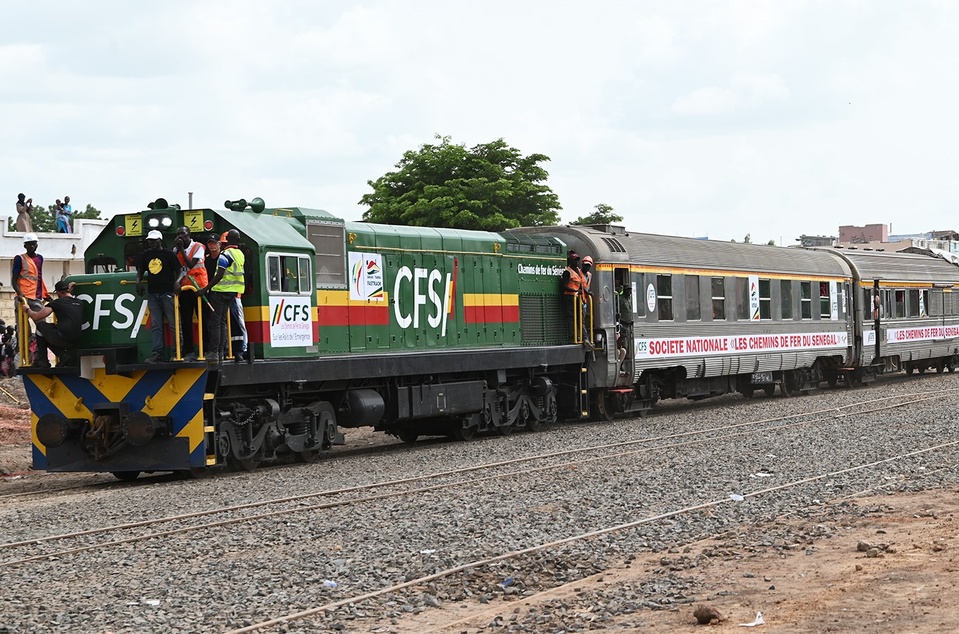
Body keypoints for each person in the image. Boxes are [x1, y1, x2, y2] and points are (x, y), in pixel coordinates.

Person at [136, 230, 183, 363]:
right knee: (156, 325)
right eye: (150, 241)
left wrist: (177, 282)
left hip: (168, 292)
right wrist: (138, 282)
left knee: (174, 323)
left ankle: (177, 351)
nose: (152, 243)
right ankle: (157, 353)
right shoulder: (146, 255)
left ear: (160, 241)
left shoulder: (169, 255)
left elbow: (180, 270)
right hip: (153, 293)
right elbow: (140, 270)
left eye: (154, 240)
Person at [198, 229, 245, 365]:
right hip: (233, 292)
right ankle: (220, 352)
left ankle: (214, 352)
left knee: (215, 323)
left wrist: (206, 289)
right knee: (222, 323)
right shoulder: (240, 254)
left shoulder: (225, 254)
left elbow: (219, 274)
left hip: (220, 291)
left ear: (228, 240)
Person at [23, 280, 83, 368]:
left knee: (41, 326)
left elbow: (36, 316)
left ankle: (43, 361)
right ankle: (63, 356)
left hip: (62, 337)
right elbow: (67, 298)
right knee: (47, 335)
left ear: (58, 292)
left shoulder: (57, 303)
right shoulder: (80, 303)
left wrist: (28, 309)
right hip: (76, 340)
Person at [173, 227, 207, 362]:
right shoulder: (175, 250)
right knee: (186, 321)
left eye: (183, 234)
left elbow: (190, 264)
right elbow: (176, 267)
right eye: (178, 234)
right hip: (185, 289)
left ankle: (207, 348)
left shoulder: (198, 247)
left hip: (199, 288)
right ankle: (189, 351)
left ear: (189, 234)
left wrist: (181, 249)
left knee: (203, 319)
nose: (180, 236)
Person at [561, 251, 584, 343]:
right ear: (570, 261)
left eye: (578, 260)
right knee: (571, 317)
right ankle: (572, 335)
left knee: (579, 316)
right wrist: (574, 291)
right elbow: (564, 286)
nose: (577, 262)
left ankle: (579, 335)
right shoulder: (567, 272)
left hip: (577, 298)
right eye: (575, 260)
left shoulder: (578, 271)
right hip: (570, 297)